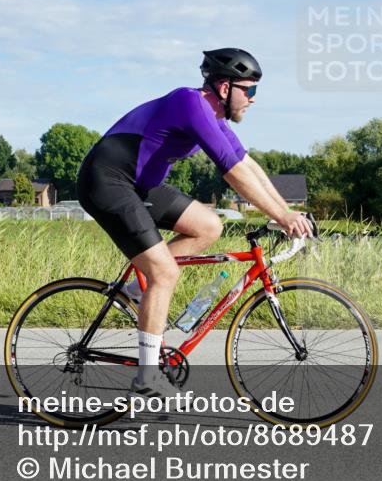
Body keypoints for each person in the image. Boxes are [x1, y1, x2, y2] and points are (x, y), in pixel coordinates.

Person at [76, 48, 314, 396]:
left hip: (140, 186)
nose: (252, 99)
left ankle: (138, 290)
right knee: (165, 272)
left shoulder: (213, 117)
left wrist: (286, 213)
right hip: (107, 181)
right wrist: (280, 215)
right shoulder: (189, 103)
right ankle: (146, 375)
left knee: (210, 226)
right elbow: (231, 173)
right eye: (249, 90)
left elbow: (247, 165)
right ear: (223, 87)